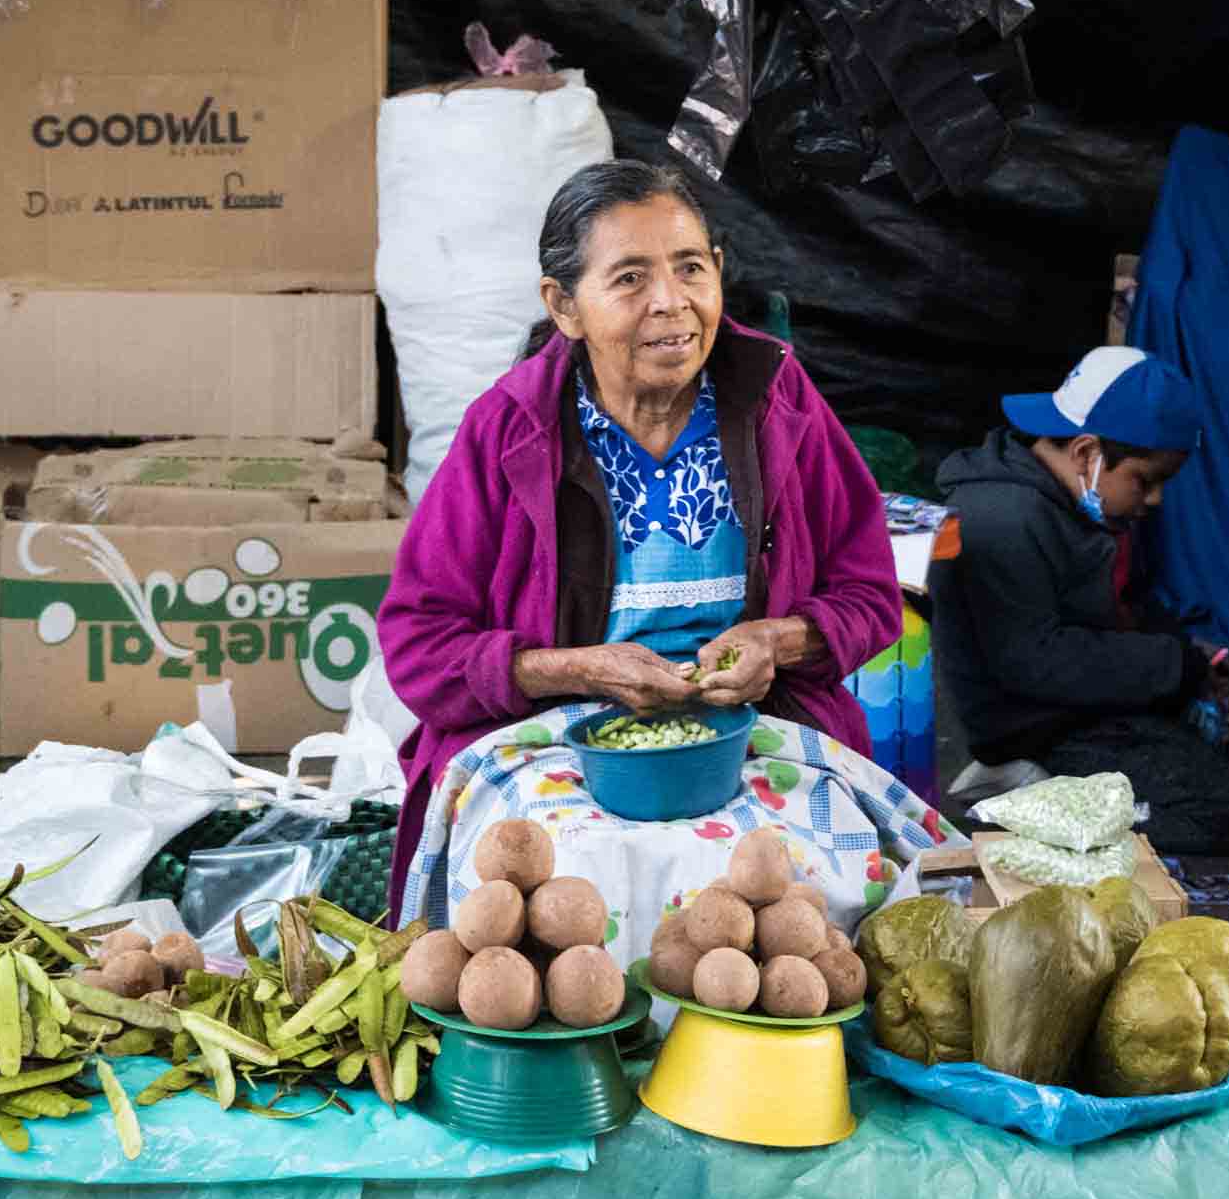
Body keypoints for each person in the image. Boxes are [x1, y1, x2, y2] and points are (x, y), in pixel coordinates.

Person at [377, 160, 902, 917]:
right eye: (629, 279)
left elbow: (870, 594)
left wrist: (777, 644)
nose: (672, 302)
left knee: (804, 891)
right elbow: (419, 644)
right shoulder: (509, 428)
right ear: (564, 306)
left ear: (719, 271)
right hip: (554, 741)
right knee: (571, 892)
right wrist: (579, 670)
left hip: (762, 731)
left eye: (691, 267)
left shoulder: (776, 397)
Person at [930, 346, 1229, 854]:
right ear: (1086, 454)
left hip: (1096, 701)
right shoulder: (999, 520)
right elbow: (1034, 661)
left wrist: (1192, 665)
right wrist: (1172, 666)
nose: (1155, 499)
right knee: (1226, 808)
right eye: (1147, 479)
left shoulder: (1087, 504)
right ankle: (1025, 796)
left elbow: (1127, 606)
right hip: (1036, 728)